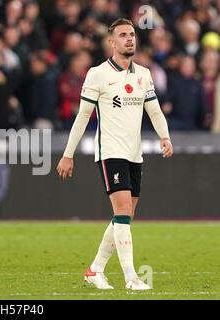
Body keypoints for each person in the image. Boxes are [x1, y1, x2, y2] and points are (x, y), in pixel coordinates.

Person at [57, 19, 173, 290]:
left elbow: (154, 111)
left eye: (132, 34)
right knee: (122, 212)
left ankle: (95, 270)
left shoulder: (143, 74)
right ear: (112, 42)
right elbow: (83, 116)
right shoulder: (97, 74)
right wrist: (67, 154)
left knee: (125, 217)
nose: (129, 39)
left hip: (135, 154)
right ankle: (131, 278)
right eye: (123, 35)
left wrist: (165, 137)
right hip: (110, 151)